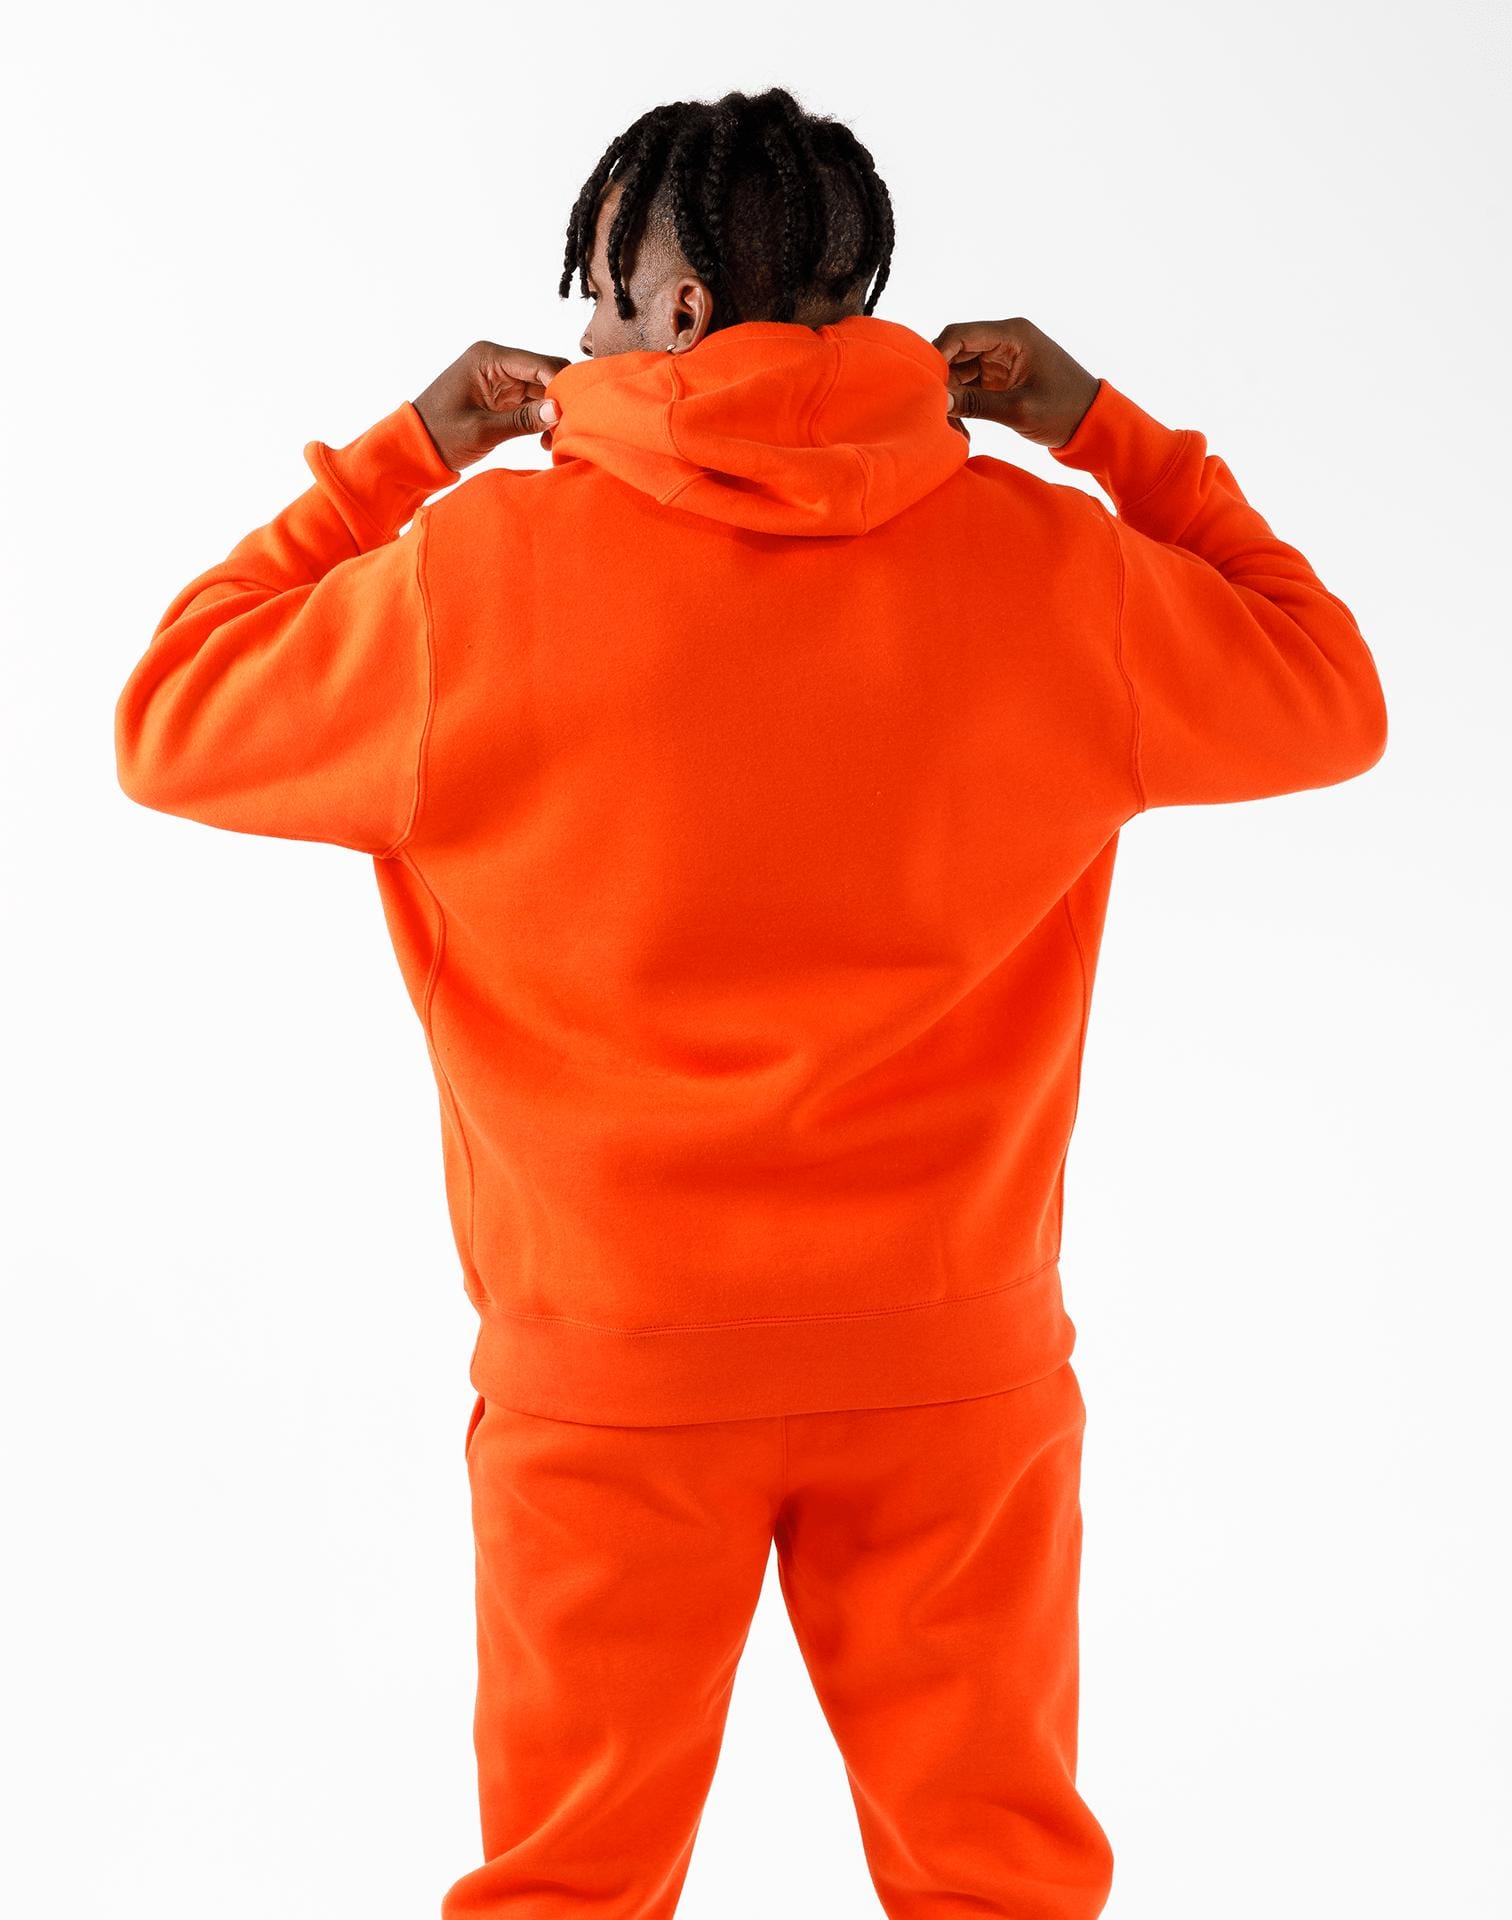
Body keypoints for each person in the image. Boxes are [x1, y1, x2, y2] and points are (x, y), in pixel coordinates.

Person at [113, 83, 1388, 1920]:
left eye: (596, 291)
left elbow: (169, 714)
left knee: (568, 1891)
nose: (580, 333)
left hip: (613, 1379)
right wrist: (1104, 432)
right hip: (949, 1369)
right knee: (998, 1886)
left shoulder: (464, 588)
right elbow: (1330, 690)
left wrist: (405, 454)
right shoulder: (1053, 571)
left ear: (682, 307)